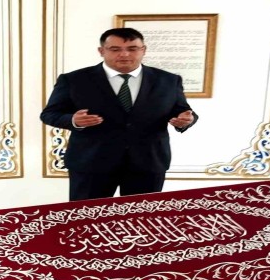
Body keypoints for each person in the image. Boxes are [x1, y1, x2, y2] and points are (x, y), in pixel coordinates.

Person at [40, 27, 198, 201]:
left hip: (148, 162)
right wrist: (73, 120)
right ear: (101, 51)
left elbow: (183, 111)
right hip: (91, 163)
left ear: (143, 50)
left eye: (132, 48)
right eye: (115, 49)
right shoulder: (74, 80)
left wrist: (187, 120)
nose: (124, 54)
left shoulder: (168, 80)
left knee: (141, 216)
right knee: (87, 216)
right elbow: (49, 114)